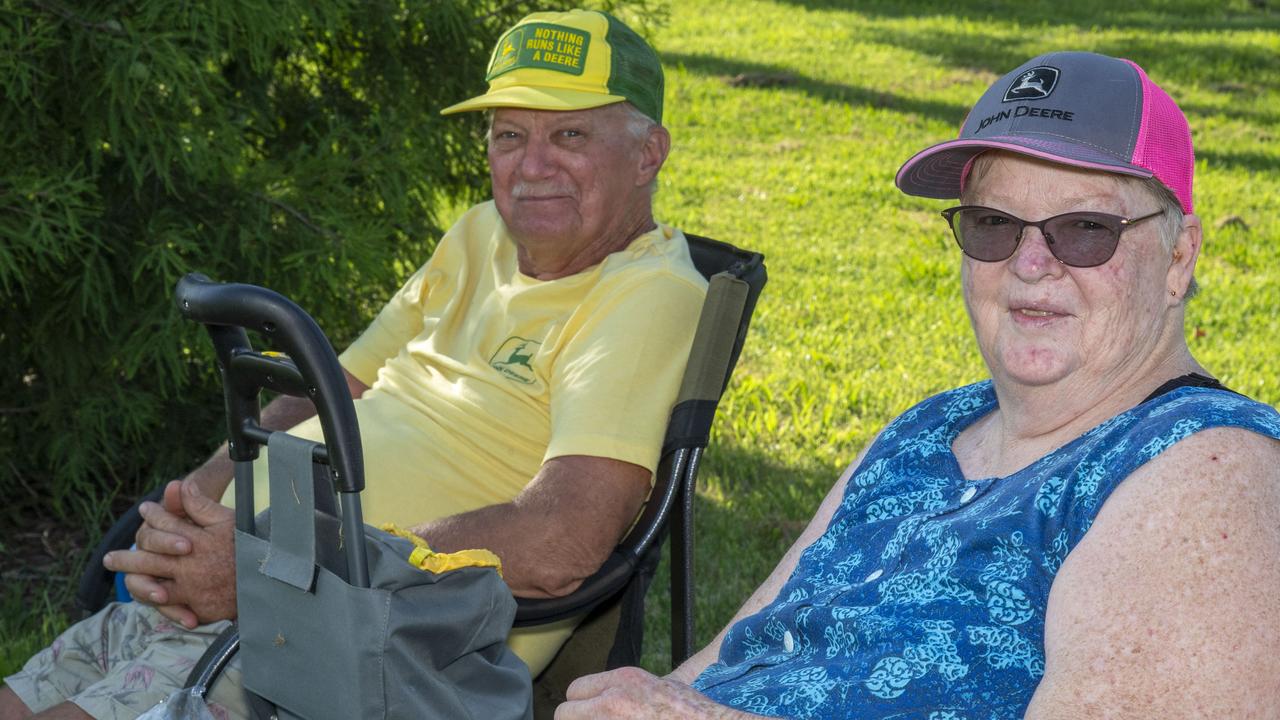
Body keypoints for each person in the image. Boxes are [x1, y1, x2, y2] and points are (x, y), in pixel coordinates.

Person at [1, 9, 708, 720]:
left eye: (571, 135)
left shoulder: (645, 295)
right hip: (266, 584)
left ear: (649, 153)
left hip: (378, 642)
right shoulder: (479, 235)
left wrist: (286, 575)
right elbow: (334, 384)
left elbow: (562, 540)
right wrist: (192, 505)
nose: (531, 166)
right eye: (509, 135)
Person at [555, 52, 1280, 719]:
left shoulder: (1207, 476)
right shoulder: (932, 429)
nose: (1030, 263)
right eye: (994, 224)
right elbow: (735, 651)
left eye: (1084, 228)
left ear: (1180, 255)